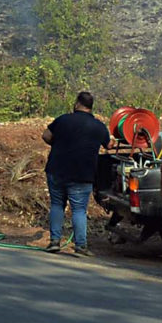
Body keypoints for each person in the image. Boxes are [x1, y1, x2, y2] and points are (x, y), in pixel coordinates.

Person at [43, 89, 110, 255]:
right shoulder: (99, 126)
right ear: (91, 107)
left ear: (77, 103)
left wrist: (58, 143)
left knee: (57, 205)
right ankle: (80, 246)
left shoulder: (63, 120)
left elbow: (45, 136)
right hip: (83, 175)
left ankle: (54, 242)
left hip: (57, 170)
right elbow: (109, 146)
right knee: (79, 210)